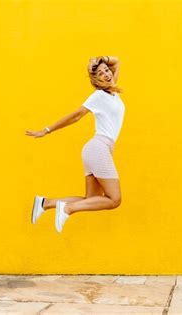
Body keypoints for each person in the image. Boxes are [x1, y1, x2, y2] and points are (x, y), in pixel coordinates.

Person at [25, 56, 125, 233]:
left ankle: (46, 203)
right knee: (114, 200)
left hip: (96, 150)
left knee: (91, 199)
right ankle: (67, 209)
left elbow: (116, 61)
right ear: (96, 81)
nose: (107, 74)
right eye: (101, 74)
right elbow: (76, 115)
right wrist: (46, 130)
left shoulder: (111, 91)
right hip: (99, 148)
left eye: (107, 70)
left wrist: (102, 60)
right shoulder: (98, 96)